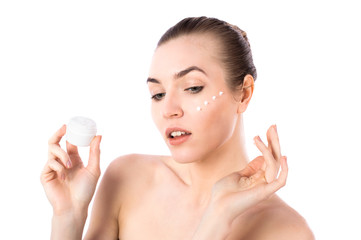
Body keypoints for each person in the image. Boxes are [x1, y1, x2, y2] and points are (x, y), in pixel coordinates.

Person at [41, 16, 314, 239]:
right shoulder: (127, 178)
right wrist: (69, 216)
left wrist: (219, 216)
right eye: (157, 93)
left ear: (243, 94)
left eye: (192, 88)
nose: (168, 109)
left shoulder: (286, 231)